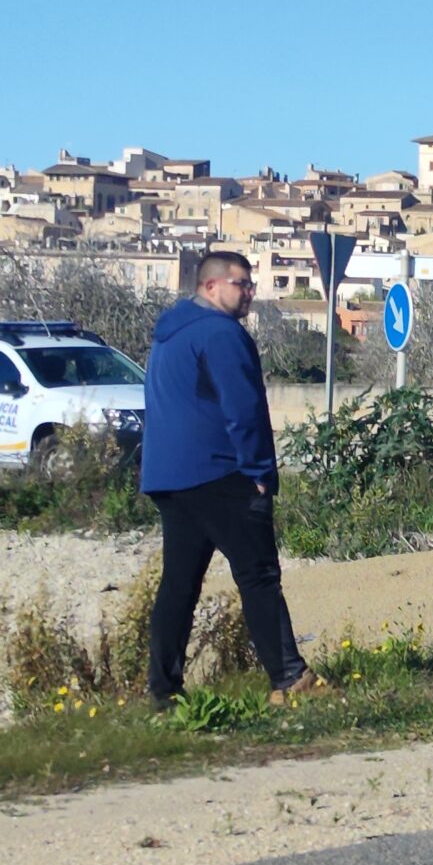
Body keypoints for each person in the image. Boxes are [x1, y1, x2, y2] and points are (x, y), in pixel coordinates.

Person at [139, 250, 328, 708]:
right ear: (210, 287)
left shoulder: (169, 332)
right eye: (240, 284)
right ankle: (289, 677)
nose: (249, 293)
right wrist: (260, 471)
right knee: (259, 576)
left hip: (168, 477)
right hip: (221, 472)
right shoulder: (221, 334)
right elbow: (244, 409)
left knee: (178, 586)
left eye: (250, 285)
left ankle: (164, 692)